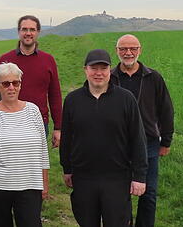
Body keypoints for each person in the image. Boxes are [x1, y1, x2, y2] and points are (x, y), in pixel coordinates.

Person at [60, 49, 148, 226]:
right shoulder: (72, 100)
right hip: (84, 177)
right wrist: (67, 168)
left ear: (110, 71)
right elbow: (67, 138)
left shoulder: (126, 99)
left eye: (103, 68)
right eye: (94, 68)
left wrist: (139, 176)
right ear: (85, 70)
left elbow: (138, 139)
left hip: (117, 177)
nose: (98, 73)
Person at [0, 63, 50, 227]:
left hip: (30, 185)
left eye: (16, 83)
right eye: (6, 83)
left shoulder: (33, 111)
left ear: (20, 84)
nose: (11, 87)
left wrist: (44, 182)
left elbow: (43, 151)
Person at [110, 34, 174, 227]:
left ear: (140, 50)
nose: (128, 53)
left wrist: (166, 141)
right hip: (118, 144)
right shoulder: (109, 77)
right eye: (123, 49)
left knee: (149, 193)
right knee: (120, 193)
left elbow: (166, 110)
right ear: (117, 51)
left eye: (133, 49)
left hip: (149, 143)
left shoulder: (153, 77)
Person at [0, 15, 63, 148]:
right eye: (24, 29)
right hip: (9, 121)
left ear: (38, 32)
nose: (28, 33)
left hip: (38, 122)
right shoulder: (5, 60)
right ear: (19, 31)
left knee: (36, 160)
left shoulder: (48, 60)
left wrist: (58, 127)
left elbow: (55, 94)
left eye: (32, 30)